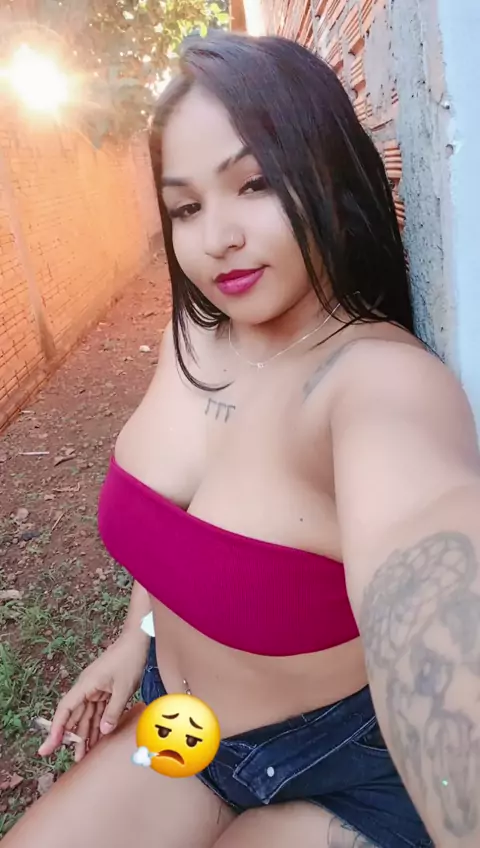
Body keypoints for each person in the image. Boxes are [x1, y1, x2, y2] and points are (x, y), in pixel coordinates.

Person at [5, 31, 480, 848]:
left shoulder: (378, 385)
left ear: (327, 172)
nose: (215, 236)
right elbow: (182, 520)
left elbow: (443, 653)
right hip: (183, 726)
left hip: (345, 769)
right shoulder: (195, 337)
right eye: (186, 207)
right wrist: (134, 640)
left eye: (254, 183)